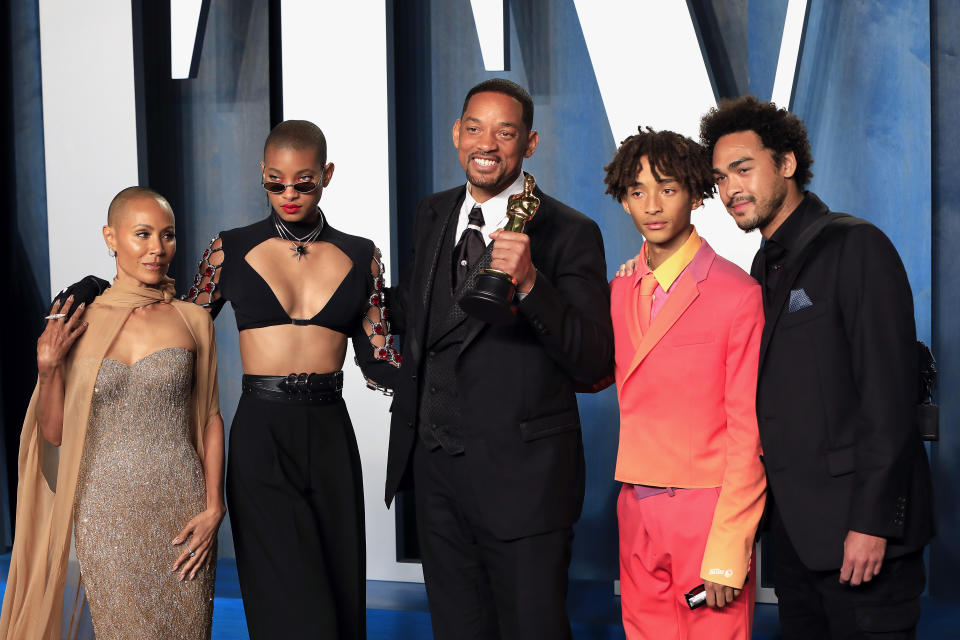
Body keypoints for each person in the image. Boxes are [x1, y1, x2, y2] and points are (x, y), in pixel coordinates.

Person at [384, 78, 614, 639]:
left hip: (526, 486)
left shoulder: (570, 232)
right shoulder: (431, 213)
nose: (487, 143)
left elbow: (591, 361)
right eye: (475, 128)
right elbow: (424, 326)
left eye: (505, 132)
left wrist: (532, 283)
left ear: (529, 143)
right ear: (456, 135)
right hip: (437, 476)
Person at [701, 96, 934, 639]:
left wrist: (872, 524)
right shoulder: (762, 264)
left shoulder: (856, 245)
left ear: (786, 164)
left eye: (743, 169)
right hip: (797, 544)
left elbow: (889, 395)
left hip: (864, 539)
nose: (731, 189)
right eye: (720, 178)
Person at [183, 120, 398, 638]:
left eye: (303, 182)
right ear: (262, 174)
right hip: (262, 435)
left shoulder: (361, 254)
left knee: (339, 594)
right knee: (291, 606)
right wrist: (109, 295)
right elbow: (180, 330)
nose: (288, 194)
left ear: (326, 175)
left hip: (330, 435)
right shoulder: (227, 250)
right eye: (275, 182)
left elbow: (380, 358)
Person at [0, 187, 224, 639]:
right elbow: (55, 433)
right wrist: (47, 370)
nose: (157, 249)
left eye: (168, 235)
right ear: (111, 236)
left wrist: (215, 506)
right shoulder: (77, 322)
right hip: (104, 511)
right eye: (142, 234)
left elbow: (210, 419)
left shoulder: (191, 318)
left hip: (183, 507)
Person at [604, 127, 766, 639]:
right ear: (623, 200)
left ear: (697, 195)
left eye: (668, 188)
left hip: (706, 510)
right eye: (637, 190)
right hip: (634, 502)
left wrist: (729, 547)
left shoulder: (737, 294)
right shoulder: (620, 289)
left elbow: (748, 433)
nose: (652, 205)